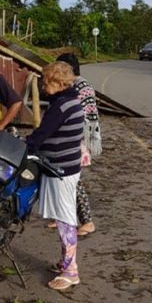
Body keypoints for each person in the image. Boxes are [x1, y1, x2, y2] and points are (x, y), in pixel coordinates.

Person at [25, 61, 85, 291]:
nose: (42, 85)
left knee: (65, 220)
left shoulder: (61, 105)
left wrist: (25, 145)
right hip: (65, 167)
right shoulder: (70, 101)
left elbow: (40, 135)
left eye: (46, 81)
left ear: (60, 83)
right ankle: (65, 262)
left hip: (61, 170)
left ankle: (71, 272)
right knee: (63, 217)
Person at [56, 53, 101, 236]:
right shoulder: (68, 85)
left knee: (74, 182)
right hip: (66, 139)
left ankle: (87, 221)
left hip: (78, 140)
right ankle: (61, 216)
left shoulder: (83, 87)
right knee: (60, 179)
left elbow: (86, 118)